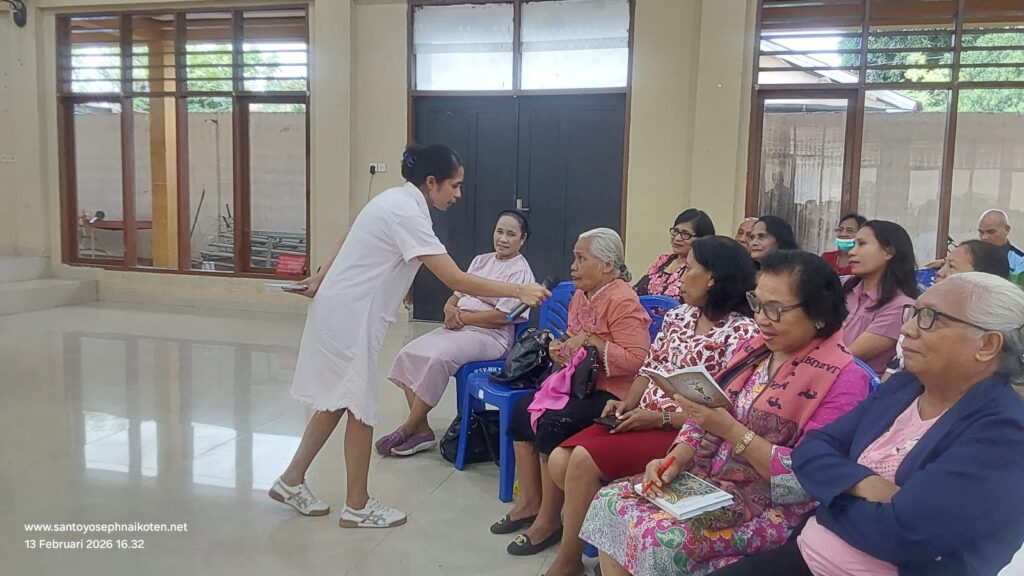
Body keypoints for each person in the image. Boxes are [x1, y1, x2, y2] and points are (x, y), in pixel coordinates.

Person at [268, 144, 549, 528]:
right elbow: (454, 278)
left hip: (342, 309)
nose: (458, 194)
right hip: (352, 317)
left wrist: (321, 276)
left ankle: (291, 479)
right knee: (359, 407)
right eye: (454, 185)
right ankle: (357, 505)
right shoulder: (407, 214)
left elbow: (351, 233)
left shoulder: (394, 200)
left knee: (339, 400)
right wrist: (519, 291)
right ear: (431, 182)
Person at [710, 272, 1024, 576]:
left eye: (930, 318)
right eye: (913, 314)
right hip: (806, 554)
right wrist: (862, 483)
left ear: (987, 345)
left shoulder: (1004, 434)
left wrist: (830, 496)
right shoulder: (904, 387)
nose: (907, 329)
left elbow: (902, 534)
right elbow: (811, 450)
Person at [580, 251, 871, 576]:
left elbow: (805, 480)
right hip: (710, 481)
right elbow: (704, 412)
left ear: (818, 313)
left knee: (662, 537)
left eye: (775, 309)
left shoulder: (843, 379)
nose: (761, 319)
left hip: (773, 505)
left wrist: (732, 431)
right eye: (757, 303)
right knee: (611, 502)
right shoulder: (757, 350)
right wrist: (675, 458)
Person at [540, 236, 758, 576]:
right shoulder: (679, 316)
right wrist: (627, 403)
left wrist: (658, 418)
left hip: (685, 433)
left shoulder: (741, 333)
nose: (680, 277)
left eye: (689, 269)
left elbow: (724, 411)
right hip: (643, 417)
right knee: (559, 459)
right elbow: (649, 368)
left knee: (581, 460)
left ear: (711, 278)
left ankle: (568, 562)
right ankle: (610, 543)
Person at [493, 228, 652, 555]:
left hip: (614, 394)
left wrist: (594, 341)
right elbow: (573, 342)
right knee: (523, 410)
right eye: (574, 258)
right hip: (580, 385)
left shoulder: (623, 299)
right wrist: (561, 348)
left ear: (607, 265)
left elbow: (638, 360)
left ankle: (550, 521)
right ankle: (530, 502)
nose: (573, 267)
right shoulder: (581, 295)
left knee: (551, 421)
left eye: (581, 259)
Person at [375, 210, 535, 457]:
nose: (503, 239)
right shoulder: (481, 260)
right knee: (410, 352)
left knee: (437, 357)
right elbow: (458, 293)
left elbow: (505, 317)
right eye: (499, 231)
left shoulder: (521, 272)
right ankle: (422, 429)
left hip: (492, 336)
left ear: (522, 240)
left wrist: (464, 318)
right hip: (461, 327)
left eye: (511, 234)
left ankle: (409, 427)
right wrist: (449, 308)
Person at [883, 239, 1010, 380]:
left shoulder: (970, 328)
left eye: (952, 266)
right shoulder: (925, 312)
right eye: (943, 264)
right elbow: (894, 369)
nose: (940, 273)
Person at [842, 220, 919, 374]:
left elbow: (848, 357)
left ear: (888, 252)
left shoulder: (900, 306)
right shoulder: (844, 287)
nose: (851, 252)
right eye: (854, 244)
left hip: (855, 383)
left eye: (862, 244)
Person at [634, 209, 715, 298]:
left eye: (685, 234)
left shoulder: (698, 268)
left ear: (702, 239)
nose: (677, 238)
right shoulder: (664, 259)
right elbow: (637, 290)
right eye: (676, 231)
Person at [977, 209, 1024, 285]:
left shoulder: (1020, 262)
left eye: (991, 232)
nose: (984, 237)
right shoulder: (970, 256)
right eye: (981, 232)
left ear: (1007, 230)